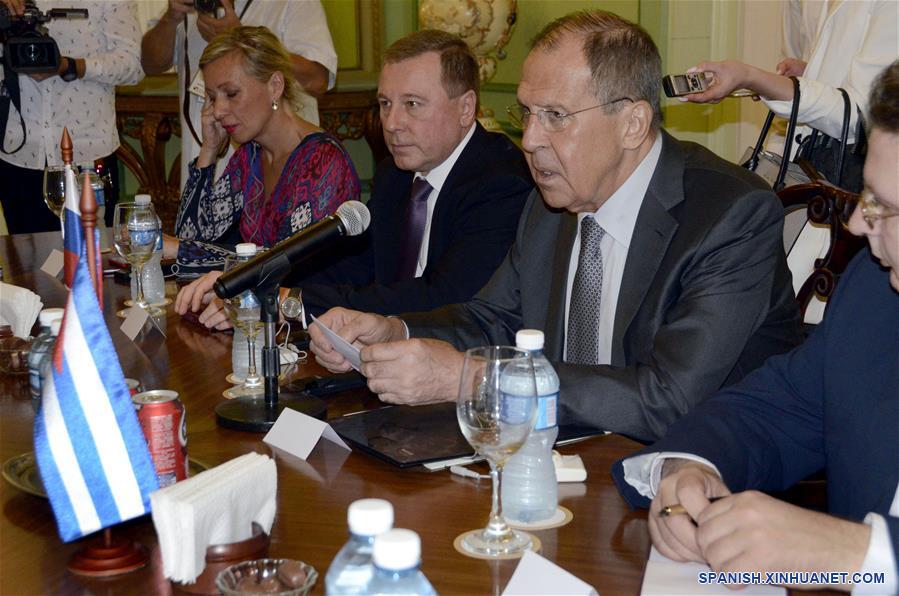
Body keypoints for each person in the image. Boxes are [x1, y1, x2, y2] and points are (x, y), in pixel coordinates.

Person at [309, 10, 803, 443]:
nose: (529, 139)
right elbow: (493, 319)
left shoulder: (728, 216)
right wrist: (394, 330)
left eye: (555, 116)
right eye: (527, 113)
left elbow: (668, 400)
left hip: (695, 474)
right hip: (561, 452)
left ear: (632, 124)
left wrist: (475, 378)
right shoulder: (550, 201)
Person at [612, 60, 899, 593]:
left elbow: (856, 556)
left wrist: (856, 552)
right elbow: (779, 406)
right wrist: (687, 467)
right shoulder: (875, 290)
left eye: (885, 206)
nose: (858, 223)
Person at [174, 30, 532, 327]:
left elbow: (444, 298)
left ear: (466, 108)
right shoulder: (395, 174)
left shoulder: (499, 182)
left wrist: (289, 302)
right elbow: (350, 265)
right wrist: (256, 290)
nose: (392, 124)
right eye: (385, 104)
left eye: (412, 104)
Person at [163, 26, 359, 274]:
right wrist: (209, 150)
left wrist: (181, 250)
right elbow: (191, 236)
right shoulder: (250, 155)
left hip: (313, 298)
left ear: (275, 86)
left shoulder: (323, 161)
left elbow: (284, 264)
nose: (218, 111)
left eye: (231, 94)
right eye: (212, 97)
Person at [681, 0, 896, 192]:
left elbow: (862, 116)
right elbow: (815, 68)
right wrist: (811, 71)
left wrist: (752, 78)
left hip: (849, 182)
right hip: (800, 164)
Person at [140, 0, 337, 186]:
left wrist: (242, 41)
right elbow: (150, 64)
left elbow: (318, 79)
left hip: (280, 166)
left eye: (232, 93)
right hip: (203, 159)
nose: (218, 110)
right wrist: (171, 17)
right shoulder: (192, 5)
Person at [0, 0, 142, 234]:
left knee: (91, 253)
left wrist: (71, 67)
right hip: (19, 153)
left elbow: (133, 65)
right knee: (26, 254)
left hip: (87, 154)